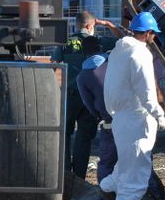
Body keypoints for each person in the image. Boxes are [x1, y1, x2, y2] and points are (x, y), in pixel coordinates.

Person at [77, 36, 164, 200]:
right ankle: (151, 195)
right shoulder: (112, 65)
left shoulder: (83, 76)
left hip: (111, 122)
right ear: (100, 47)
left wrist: (102, 115)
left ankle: (106, 198)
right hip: (133, 118)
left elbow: (88, 104)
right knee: (138, 159)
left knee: (109, 162)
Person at [99, 12, 165, 200]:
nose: (154, 38)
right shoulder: (140, 54)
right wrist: (158, 114)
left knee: (126, 163)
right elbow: (145, 89)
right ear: (147, 33)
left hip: (121, 116)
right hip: (136, 117)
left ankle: (107, 187)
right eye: (153, 34)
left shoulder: (118, 52)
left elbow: (110, 85)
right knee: (137, 165)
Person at [52, 10, 121, 179]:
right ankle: (79, 178)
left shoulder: (65, 42)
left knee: (64, 136)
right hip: (89, 96)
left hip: (69, 96)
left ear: (75, 24)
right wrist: (109, 25)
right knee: (83, 138)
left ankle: (66, 176)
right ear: (91, 26)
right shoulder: (97, 41)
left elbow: (53, 65)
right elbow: (124, 41)